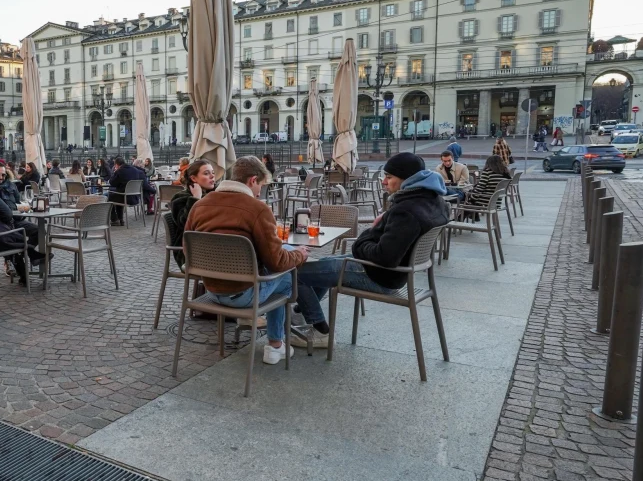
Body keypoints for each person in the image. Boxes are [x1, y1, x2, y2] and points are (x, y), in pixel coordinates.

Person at [294, 153, 448, 348]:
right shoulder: (433, 200)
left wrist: (367, 235)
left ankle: (320, 331)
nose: (384, 182)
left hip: (379, 274)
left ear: (407, 179)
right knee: (322, 264)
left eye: (389, 177)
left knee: (296, 272)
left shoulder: (407, 211)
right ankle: (301, 310)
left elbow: (384, 257)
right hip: (394, 273)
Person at [185, 156, 309, 365]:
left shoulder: (200, 205)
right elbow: (277, 262)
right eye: (260, 185)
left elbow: (188, 250)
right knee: (289, 275)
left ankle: (277, 343)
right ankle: (276, 344)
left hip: (211, 291)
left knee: (282, 266)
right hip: (244, 295)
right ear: (252, 180)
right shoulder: (258, 209)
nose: (260, 191)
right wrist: (299, 255)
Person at [107, 156, 155, 226]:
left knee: (111, 196)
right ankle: (120, 219)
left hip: (125, 198)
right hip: (135, 197)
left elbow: (112, 182)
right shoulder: (135, 170)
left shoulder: (120, 171)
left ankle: (115, 219)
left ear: (116, 164)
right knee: (117, 195)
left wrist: (115, 172)